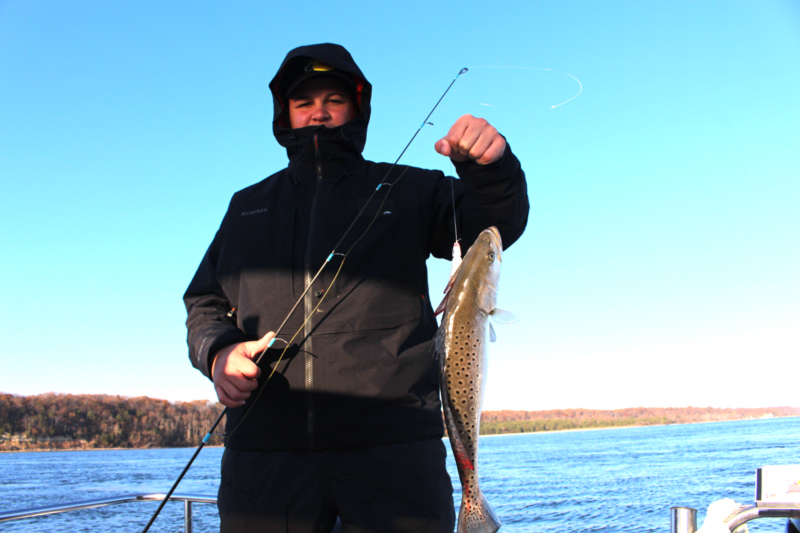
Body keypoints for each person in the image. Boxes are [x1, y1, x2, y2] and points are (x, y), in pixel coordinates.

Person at [184, 43, 529, 533]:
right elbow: (204, 302)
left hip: (395, 455)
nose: (319, 113)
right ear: (285, 116)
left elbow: (494, 230)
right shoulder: (247, 207)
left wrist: (489, 169)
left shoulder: (412, 189)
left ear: (358, 108)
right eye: (303, 103)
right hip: (264, 459)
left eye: (333, 100)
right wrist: (217, 353)